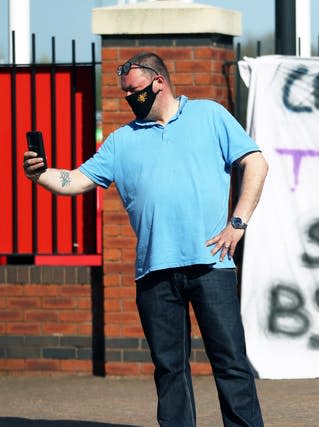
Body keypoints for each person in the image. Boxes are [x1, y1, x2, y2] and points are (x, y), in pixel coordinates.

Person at [22, 52, 267, 427]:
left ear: (159, 83)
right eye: (125, 94)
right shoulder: (121, 141)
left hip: (211, 264)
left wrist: (238, 222)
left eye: (135, 91)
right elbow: (77, 180)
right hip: (154, 272)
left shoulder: (209, 115)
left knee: (230, 362)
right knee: (170, 370)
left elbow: (256, 162)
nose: (129, 99)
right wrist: (40, 175)